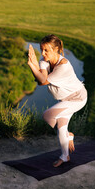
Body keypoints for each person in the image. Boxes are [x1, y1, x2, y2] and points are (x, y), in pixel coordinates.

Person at [27, 34, 87, 167]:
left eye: (46, 50)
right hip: (66, 99)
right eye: (41, 49)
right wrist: (36, 66)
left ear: (56, 50)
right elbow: (40, 78)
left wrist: (32, 64)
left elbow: (43, 81)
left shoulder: (63, 66)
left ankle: (68, 134)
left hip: (77, 98)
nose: (42, 53)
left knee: (48, 115)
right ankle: (65, 156)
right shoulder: (45, 61)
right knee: (60, 126)